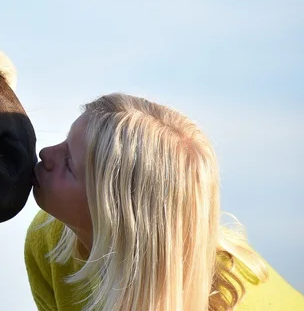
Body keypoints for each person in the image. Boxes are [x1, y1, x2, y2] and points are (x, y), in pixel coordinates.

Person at [24, 93, 304, 310]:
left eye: (70, 163)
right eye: (63, 142)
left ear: (118, 212)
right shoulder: (48, 242)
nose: (46, 153)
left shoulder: (229, 301)